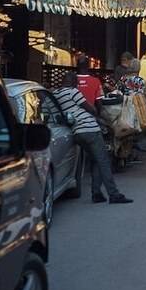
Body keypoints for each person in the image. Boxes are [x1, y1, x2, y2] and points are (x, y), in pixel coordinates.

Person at [53, 72, 132, 204]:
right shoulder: (73, 92)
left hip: (75, 132)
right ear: (73, 82)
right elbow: (90, 109)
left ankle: (97, 193)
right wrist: (98, 115)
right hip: (89, 129)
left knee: (96, 159)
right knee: (104, 161)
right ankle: (114, 194)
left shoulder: (55, 94)